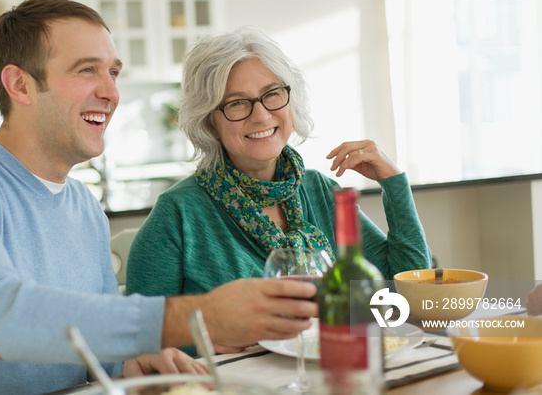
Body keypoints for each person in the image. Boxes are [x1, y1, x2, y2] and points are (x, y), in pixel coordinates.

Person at [0, 0, 318, 395]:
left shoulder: (83, 207)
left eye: (113, 72)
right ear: (19, 84)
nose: (111, 92)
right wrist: (195, 317)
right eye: (86, 70)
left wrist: (130, 365)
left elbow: (89, 354)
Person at [125, 26, 432, 339]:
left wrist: (394, 183)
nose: (260, 116)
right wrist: (216, 341)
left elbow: (408, 296)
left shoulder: (321, 192)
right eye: (236, 103)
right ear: (210, 123)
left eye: (272, 94)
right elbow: (140, 339)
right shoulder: (177, 214)